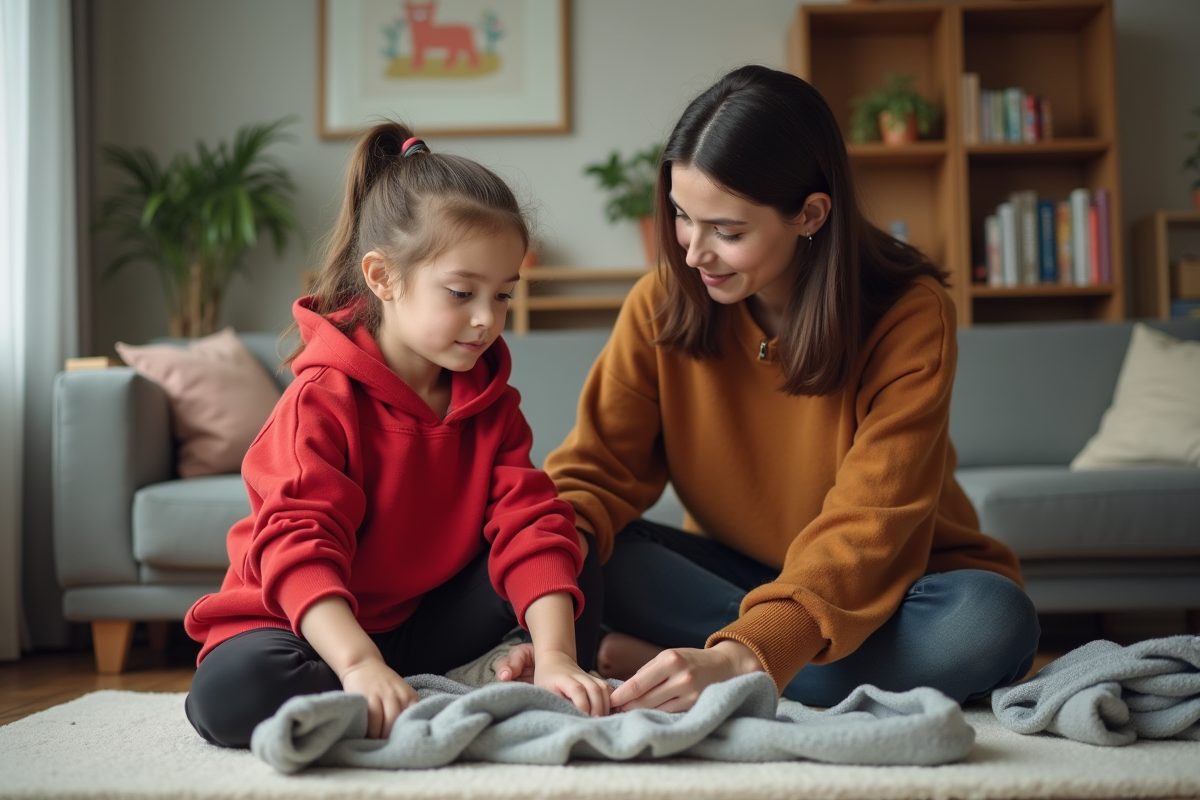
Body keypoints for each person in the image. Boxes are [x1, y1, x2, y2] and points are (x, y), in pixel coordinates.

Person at [499, 64, 1040, 712]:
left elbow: (868, 526)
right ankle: (762, 661)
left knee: (990, 623)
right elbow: (591, 476)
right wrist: (543, 622)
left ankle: (725, 663)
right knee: (584, 546)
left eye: (727, 232)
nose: (695, 252)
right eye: (680, 216)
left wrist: (740, 655)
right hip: (734, 573)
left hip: (892, 585)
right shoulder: (660, 305)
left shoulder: (910, 315)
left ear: (810, 214)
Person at [183, 122, 609, 749]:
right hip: (309, 627)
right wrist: (357, 664)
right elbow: (299, 547)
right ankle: (428, 682)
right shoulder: (320, 400)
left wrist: (556, 657)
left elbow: (527, 524)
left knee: (571, 535)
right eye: (463, 293)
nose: (488, 318)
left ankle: (483, 672)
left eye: (503, 295)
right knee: (232, 694)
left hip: (417, 622)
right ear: (383, 278)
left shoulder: (491, 403)